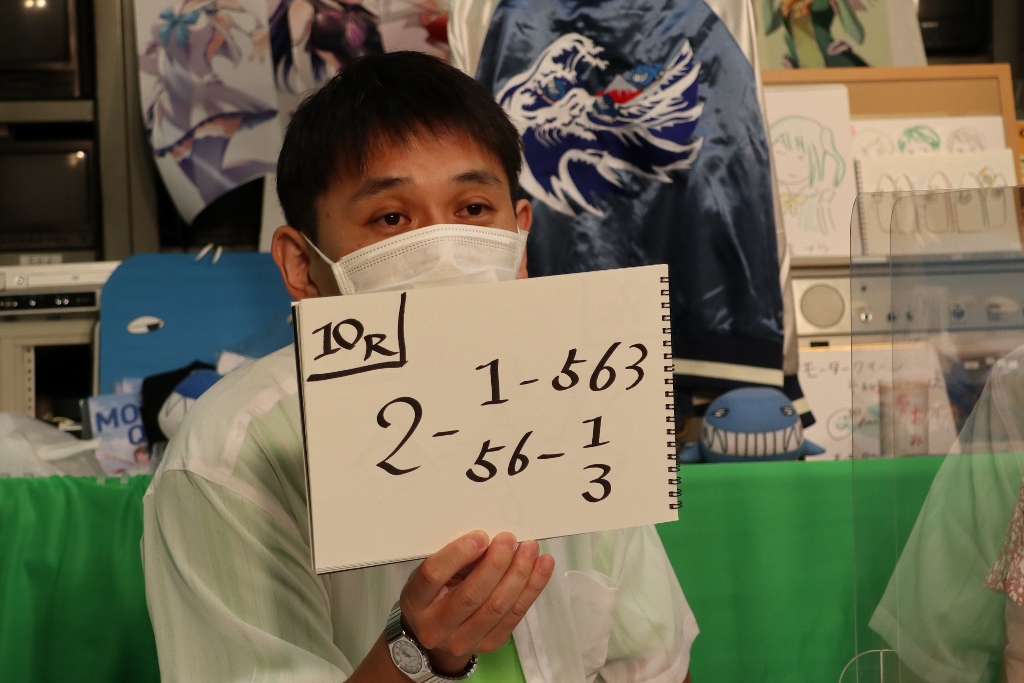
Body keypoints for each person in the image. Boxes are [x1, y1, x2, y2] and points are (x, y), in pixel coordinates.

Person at [142, 51, 698, 683]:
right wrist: (417, 654)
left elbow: (654, 666)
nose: (443, 251)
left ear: (519, 241)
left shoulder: (583, 405)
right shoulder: (231, 459)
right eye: (391, 218)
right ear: (302, 266)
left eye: (473, 209)